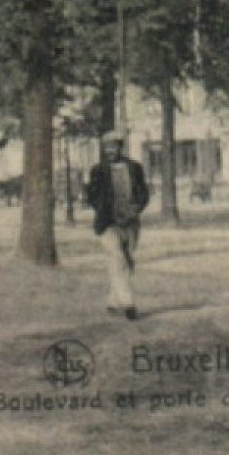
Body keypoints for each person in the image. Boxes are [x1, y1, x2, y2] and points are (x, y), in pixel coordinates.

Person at [85, 131, 150, 321]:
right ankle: (128, 303)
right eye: (107, 147)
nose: (110, 151)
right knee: (117, 257)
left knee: (127, 260)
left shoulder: (135, 168)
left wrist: (136, 208)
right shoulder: (98, 170)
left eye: (113, 146)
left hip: (131, 222)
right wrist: (103, 209)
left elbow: (143, 192)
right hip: (108, 223)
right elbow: (92, 196)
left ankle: (113, 301)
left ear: (121, 147)